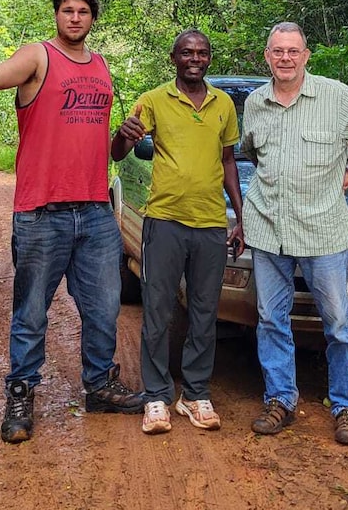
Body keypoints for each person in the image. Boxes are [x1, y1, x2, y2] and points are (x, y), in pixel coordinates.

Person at [0, 0, 145, 445]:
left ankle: (99, 386)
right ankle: (20, 396)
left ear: (92, 19)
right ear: (56, 16)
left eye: (82, 12)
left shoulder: (101, 66)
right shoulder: (38, 57)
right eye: (67, 11)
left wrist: (124, 138)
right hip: (42, 213)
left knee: (102, 309)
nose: (75, 18)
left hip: (97, 210)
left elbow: (106, 147)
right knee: (31, 312)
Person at [240, 22, 348, 446]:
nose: (286, 58)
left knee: (338, 323)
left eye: (293, 51)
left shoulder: (335, 95)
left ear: (306, 55)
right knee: (270, 320)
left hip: (323, 230)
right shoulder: (256, 102)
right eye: (278, 51)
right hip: (267, 227)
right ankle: (280, 399)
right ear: (267, 56)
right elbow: (253, 153)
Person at [110, 30, 246, 435]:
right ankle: (156, 396)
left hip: (210, 224)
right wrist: (124, 134)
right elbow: (118, 152)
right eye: (187, 52)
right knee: (158, 309)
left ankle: (196, 394)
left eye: (202, 53)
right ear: (173, 58)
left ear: (209, 59)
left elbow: (228, 162)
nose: (194, 58)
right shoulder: (153, 100)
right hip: (165, 221)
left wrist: (239, 217)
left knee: (205, 311)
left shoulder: (223, 105)